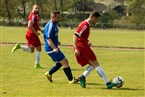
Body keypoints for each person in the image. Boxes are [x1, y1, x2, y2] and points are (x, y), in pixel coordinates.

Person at [73, 11, 118, 89]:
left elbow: (81, 37)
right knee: (96, 64)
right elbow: (75, 36)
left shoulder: (86, 24)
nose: (97, 22)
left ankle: (83, 77)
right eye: (97, 20)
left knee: (93, 65)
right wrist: (76, 49)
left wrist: (87, 42)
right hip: (82, 47)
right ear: (94, 18)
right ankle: (107, 83)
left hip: (82, 46)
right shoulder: (85, 25)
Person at [44, 11, 76, 84]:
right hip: (51, 48)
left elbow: (51, 35)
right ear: (53, 17)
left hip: (53, 47)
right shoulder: (50, 25)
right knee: (65, 61)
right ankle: (71, 80)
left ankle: (49, 73)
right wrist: (54, 48)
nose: (59, 18)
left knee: (61, 62)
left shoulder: (55, 24)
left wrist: (57, 41)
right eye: (57, 17)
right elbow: (48, 38)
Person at [12, 4, 43, 69]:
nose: (37, 9)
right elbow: (29, 25)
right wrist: (36, 32)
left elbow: (35, 24)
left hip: (31, 35)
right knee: (38, 48)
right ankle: (37, 64)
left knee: (32, 50)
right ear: (33, 9)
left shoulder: (35, 15)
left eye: (38, 8)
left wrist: (40, 30)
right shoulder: (32, 15)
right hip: (32, 35)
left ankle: (19, 46)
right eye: (36, 8)